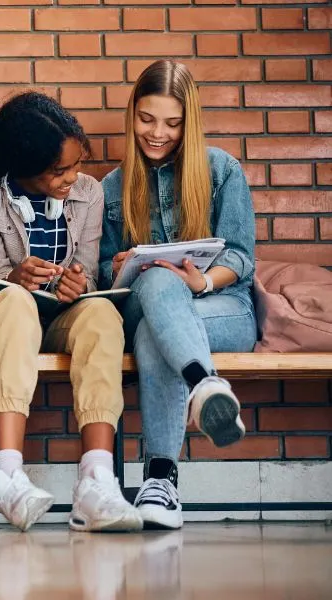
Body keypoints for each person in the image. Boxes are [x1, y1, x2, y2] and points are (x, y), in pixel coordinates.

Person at [0, 92, 140, 532]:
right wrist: (16, 276)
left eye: (76, 164)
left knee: (101, 316)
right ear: (26, 168)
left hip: (60, 315)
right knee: (17, 301)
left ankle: (96, 480)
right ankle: (7, 473)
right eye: (59, 171)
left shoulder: (88, 194)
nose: (71, 178)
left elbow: (90, 274)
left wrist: (79, 282)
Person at [100, 59, 256, 530]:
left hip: (222, 309)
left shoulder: (221, 169)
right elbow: (101, 282)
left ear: (189, 121)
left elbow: (241, 258)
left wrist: (203, 282)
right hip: (145, 305)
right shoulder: (112, 186)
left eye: (172, 122)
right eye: (147, 119)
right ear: (133, 116)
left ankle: (161, 480)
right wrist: (116, 267)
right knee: (156, 279)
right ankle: (204, 384)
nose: (157, 133)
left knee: (155, 332)